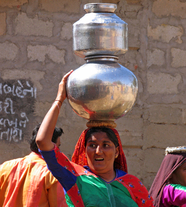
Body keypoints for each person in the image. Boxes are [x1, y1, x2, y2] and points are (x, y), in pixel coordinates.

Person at [36, 70, 153, 207]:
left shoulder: (131, 183)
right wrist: (59, 99)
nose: (98, 151)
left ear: (116, 152)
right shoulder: (75, 178)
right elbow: (42, 141)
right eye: (92, 145)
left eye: (106, 145)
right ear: (84, 150)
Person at [0, 124, 67, 207]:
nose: (59, 150)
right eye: (58, 146)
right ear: (50, 146)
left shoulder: (6, 167)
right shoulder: (52, 173)